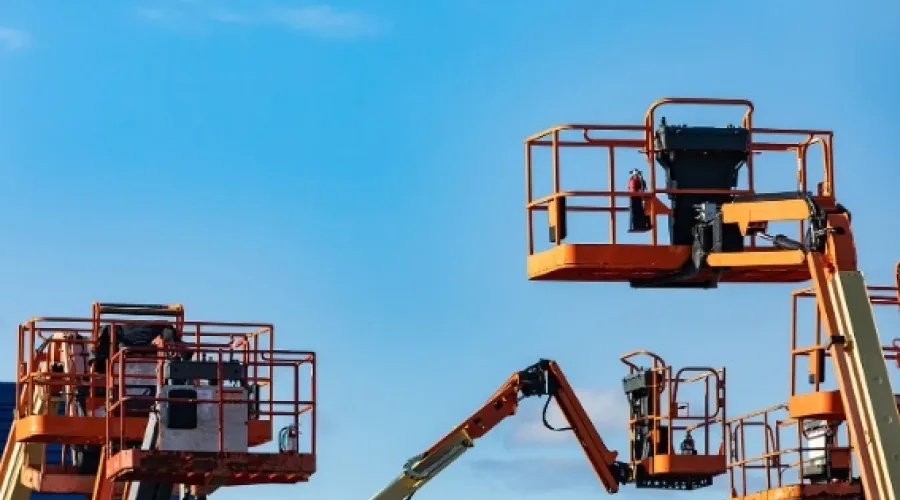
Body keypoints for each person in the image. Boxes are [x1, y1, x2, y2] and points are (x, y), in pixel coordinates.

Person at [627, 168, 652, 232]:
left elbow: (642, 187)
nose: (636, 176)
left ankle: (642, 225)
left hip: (638, 197)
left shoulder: (636, 180)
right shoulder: (632, 181)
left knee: (640, 211)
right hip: (634, 197)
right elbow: (631, 188)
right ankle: (638, 225)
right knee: (636, 211)